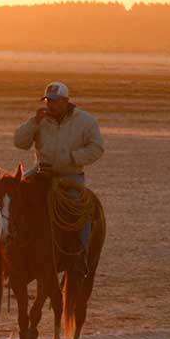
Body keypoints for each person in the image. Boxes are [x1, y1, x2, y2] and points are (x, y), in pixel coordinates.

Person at [13, 81, 104, 274]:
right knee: (13, 196)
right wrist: (33, 123)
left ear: (65, 101)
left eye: (55, 101)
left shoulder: (85, 121)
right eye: (48, 101)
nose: (50, 105)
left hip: (70, 176)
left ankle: (80, 255)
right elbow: (19, 142)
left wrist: (73, 157)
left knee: (80, 210)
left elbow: (97, 147)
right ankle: (10, 250)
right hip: (41, 172)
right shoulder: (40, 120)